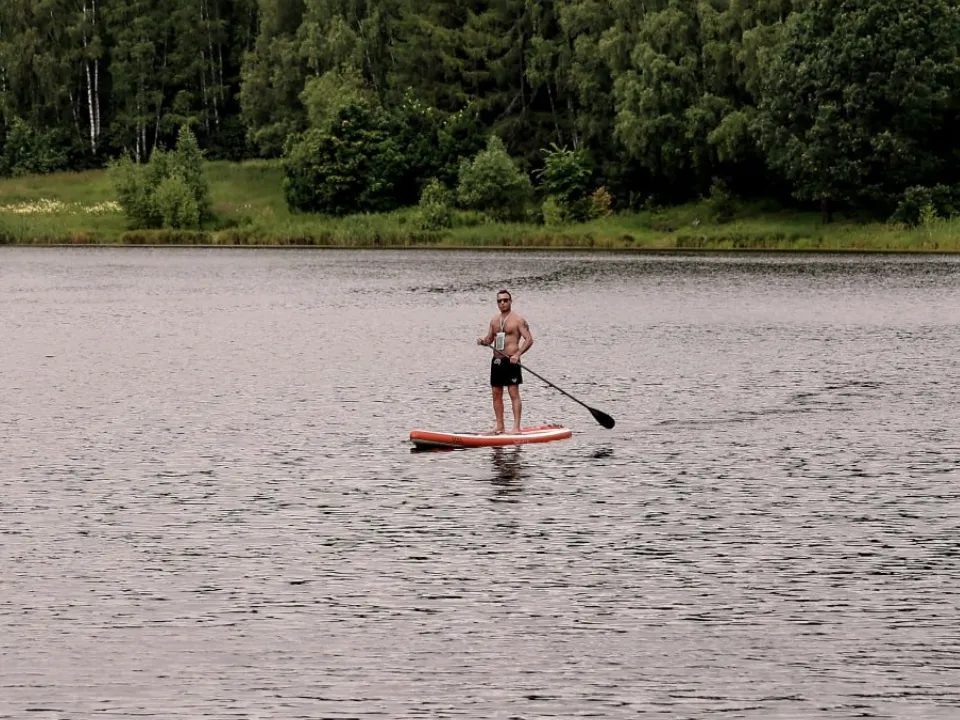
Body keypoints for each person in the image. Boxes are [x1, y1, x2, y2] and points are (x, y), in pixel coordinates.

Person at [476, 289, 534, 433]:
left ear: (510, 301)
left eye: (505, 300)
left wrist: (518, 354)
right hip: (497, 361)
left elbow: (529, 340)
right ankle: (500, 426)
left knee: (513, 392)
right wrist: (483, 341)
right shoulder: (494, 320)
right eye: (499, 301)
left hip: (512, 361)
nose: (502, 303)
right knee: (496, 392)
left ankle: (516, 427)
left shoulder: (518, 320)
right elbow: (490, 339)